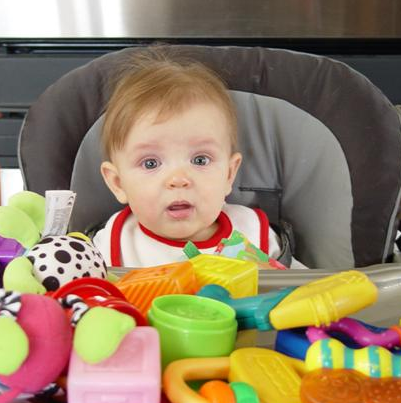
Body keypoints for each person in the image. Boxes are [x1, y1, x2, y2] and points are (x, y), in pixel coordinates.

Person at [93, 48, 305, 269]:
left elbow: (308, 286)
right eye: (151, 163)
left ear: (229, 174)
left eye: (200, 160)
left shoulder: (254, 235)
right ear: (118, 183)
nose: (178, 179)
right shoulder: (111, 245)